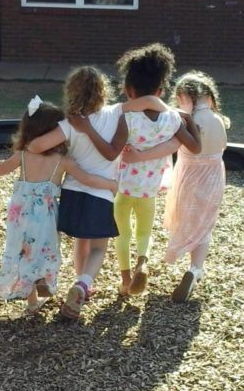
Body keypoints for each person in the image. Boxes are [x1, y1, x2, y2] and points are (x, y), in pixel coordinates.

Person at [26, 65, 171, 320]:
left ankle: (77, 283)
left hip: (72, 194)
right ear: (103, 91)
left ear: (72, 92)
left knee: (80, 240)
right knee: (98, 248)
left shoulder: (70, 123)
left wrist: (62, 153)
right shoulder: (116, 112)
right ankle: (82, 284)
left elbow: (36, 146)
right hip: (101, 195)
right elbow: (153, 102)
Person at [66, 43, 202, 299]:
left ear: (128, 90)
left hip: (122, 187)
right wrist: (188, 117)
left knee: (122, 233)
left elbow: (111, 152)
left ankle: (126, 280)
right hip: (148, 189)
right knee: (143, 231)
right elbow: (195, 147)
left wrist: (87, 130)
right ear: (161, 90)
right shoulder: (173, 119)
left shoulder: (126, 118)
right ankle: (144, 260)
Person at [0, 96, 118, 316]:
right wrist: (111, 184)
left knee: (23, 251)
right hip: (46, 215)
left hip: (20, 214)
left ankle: (32, 302)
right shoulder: (62, 160)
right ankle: (43, 278)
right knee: (44, 250)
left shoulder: (22, 155)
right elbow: (88, 179)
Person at [122, 71, 229, 302]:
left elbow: (170, 146)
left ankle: (192, 268)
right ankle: (194, 269)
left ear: (183, 98)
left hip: (189, 175)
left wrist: (141, 156)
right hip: (214, 175)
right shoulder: (218, 120)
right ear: (209, 98)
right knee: (204, 223)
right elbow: (222, 148)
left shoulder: (184, 121)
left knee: (189, 218)